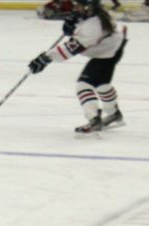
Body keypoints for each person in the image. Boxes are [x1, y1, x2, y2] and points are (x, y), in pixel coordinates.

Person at [28, 0, 127, 135]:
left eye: (79, 5)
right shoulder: (97, 16)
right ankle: (114, 114)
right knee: (101, 84)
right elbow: (80, 33)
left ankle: (94, 119)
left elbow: (72, 48)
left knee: (83, 85)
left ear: (88, 7)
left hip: (107, 52)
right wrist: (72, 26)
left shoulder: (93, 26)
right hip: (112, 48)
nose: (76, 7)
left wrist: (46, 58)